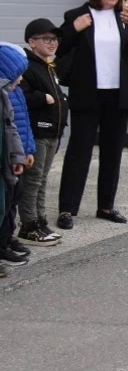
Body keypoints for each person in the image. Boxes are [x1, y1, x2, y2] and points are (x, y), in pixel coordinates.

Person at [54, 0, 128, 230]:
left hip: (118, 94)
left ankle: (106, 206)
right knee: (79, 151)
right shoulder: (77, 16)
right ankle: (67, 209)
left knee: (112, 151)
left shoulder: (126, 18)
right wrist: (74, 29)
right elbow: (57, 48)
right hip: (88, 93)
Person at [18, 18, 70, 245]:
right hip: (37, 133)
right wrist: (43, 98)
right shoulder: (27, 67)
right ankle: (28, 226)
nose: (53, 43)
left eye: (55, 39)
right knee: (32, 179)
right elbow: (19, 98)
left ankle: (40, 221)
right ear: (32, 42)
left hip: (52, 134)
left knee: (42, 178)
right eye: (47, 39)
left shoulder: (48, 66)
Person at [0, 42, 36, 268]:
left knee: (5, 206)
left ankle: (4, 243)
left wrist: (17, 157)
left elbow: (11, 127)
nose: (21, 80)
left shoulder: (5, 96)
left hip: (4, 163)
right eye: (17, 75)